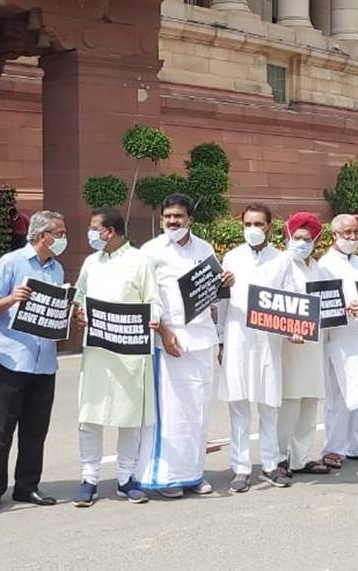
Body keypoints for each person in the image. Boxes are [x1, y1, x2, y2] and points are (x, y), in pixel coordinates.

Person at [139, 194, 229, 497]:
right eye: (168, 217)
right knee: (172, 411)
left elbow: (211, 292)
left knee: (198, 410)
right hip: (169, 341)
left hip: (201, 339)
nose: (172, 222)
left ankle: (194, 474)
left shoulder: (204, 249)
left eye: (178, 216)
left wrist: (225, 284)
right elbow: (147, 298)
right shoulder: (151, 251)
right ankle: (168, 477)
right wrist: (164, 332)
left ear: (190, 219)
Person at [72, 207, 163, 507]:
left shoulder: (140, 261)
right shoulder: (91, 262)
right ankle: (89, 479)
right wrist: (79, 313)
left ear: (109, 232)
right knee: (90, 417)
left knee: (130, 418)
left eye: (94, 228)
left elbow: (154, 301)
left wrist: (152, 318)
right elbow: (79, 297)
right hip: (98, 350)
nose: (90, 234)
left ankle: (126, 478)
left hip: (130, 353)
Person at [0, 210, 67, 513]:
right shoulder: (11, 262)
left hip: (45, 360)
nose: (63, 239)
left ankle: (28, 486)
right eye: (60, 233)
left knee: (35, 429)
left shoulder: (57, 268)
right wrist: (12, 299)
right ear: (43, 236)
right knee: (1, 428)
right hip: (11, 358)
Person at [218, 204, 289, 491]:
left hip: (269, 339)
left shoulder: (281, 260)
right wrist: (221, 338)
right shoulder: (232, 257)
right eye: (248, 224)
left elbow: (291, 300)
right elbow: (223, 301)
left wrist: (295, 329)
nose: (253, 229)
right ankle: (241, 468)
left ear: (269, 226)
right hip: (238, 336)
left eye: (258, 224)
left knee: (269, 404)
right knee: (239, 405)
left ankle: (271, 464)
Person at [316, 214, 358, 467]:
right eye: (347, 233)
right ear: (334, 235)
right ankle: (334, 448)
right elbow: (322, 302)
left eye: (356, 232)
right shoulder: (325, 265)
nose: (352, 237)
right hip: (340, 337)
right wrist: (344, 307)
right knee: (340, 395)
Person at [271, 212, 334, 477]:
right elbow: (270, 301)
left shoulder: (318, 268)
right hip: (289, 343)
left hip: (313, 343)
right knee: (289, 402)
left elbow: (328, 301)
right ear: (288, 237)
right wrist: (287, 328)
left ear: (315, 241)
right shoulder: (280, 264)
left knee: (309, 400)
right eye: (296, 237)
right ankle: (278, 456)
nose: (301, 243)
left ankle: (301, 457)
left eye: (307, 239)